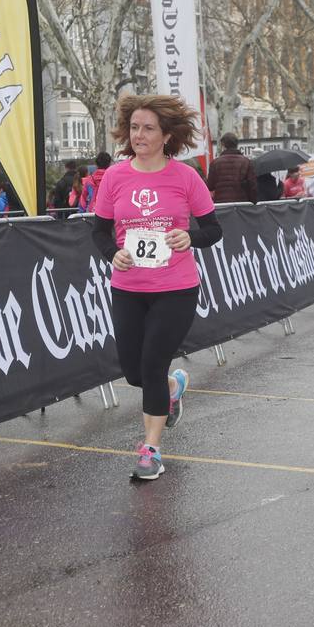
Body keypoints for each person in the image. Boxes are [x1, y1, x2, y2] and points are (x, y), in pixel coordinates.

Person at [91, 94, 222, 481]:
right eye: (134, 127)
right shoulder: (115, 176)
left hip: (176, 288)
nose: (139, 135)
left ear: (166, 135)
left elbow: (214, 229)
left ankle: (150, 449)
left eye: (148, 128)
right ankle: (172, 387)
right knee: (134, 371)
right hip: (128, 287)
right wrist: (112, 253)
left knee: (151, 363)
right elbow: (99, 231)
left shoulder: (185, 177)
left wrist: (189, 238)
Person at [205, 132, 256, 203]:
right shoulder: (246, 162)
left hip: (222, 204)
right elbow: (252, 185)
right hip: (242, 204)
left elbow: (210, 186)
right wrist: (253, 203)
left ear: (223, 145)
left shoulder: (215, 163)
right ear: (237, 144)